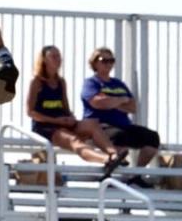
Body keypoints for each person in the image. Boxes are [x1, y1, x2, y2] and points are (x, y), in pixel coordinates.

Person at [26, 45, 127, 177]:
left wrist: (70, 118)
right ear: (44, 60)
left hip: (62, 122)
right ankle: (106, 160)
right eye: (54, 56)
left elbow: (65, 108)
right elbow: (31, 112)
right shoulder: (37, 82)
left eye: (59, 56)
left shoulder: (61, 82)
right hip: (46, 127)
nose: (58, 60)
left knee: (92, 124)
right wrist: (55, 120)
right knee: (74, 140)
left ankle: (114, 154)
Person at [80, 47, 162, 187]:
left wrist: (111, 102)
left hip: (124, 125)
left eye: (111, 60)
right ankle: (109, 175)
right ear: (95, 63)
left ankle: (136, 175)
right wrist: (120, 100)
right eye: (104, 60)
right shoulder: (91, 83)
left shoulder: (118, 84)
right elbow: (97, 103)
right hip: (102, 127)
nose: (108, 64)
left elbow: (132, 107)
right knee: (119, 138)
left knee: (152, 138)